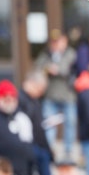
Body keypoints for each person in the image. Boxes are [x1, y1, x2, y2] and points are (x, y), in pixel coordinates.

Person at [34, 30, 78, 158]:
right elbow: (37, 68)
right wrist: (47, 68)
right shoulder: (46, 54)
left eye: (58, 41)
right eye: (53, 42)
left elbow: (70, 70)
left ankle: (68, 151)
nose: (55, 44)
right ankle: (48, 150)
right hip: (51, 95)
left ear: (65, 41)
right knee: (49, 123)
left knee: (70, 123)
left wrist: (57, 69)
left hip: (68, 95)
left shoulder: (71, 53)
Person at [18, 71, 54, 175]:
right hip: (28, 146)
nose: (41, 92)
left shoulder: (35, 101)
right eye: (40, 88)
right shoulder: (20, 99)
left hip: (40, 145)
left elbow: (39, 123)